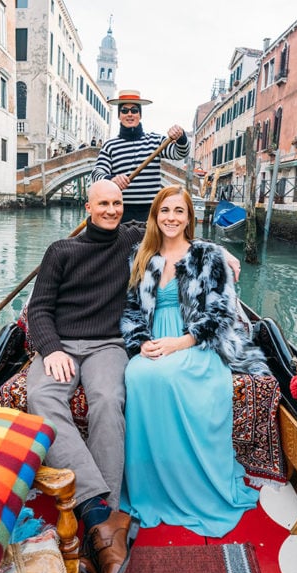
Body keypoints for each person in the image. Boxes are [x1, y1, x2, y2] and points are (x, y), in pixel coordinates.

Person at [26, 180, 240, 573]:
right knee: (40, 398)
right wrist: (50, 348)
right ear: (87, 206)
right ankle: (100, 515)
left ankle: (99, 520)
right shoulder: (60, 251)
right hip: (61, 345)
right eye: (102, 203)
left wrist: (222, 251)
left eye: (117, 204)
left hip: (107, 343)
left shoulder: (131, 239)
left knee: (108, 398)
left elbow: (176, 225)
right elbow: (39, 308)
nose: (110, 210)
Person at [119, 185, 269, 537]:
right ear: (155, 216)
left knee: (168, 377)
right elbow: (129, 310)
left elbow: (221, 312)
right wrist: (141, 343)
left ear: (190, 218)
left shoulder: (207, 255)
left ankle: (189, 482)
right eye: (165, 211)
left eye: (179, 212)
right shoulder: (140, 255)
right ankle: (149, 486)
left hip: (198, 344)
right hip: (154, 340)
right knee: (138, 376)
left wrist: (181, 342)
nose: (171, 218)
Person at [91, 89, 190, 223]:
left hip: (150, 212)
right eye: (125, 111)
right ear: (119, 116)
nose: (130, 114)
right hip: (120, 212)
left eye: (134, 110)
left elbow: (180, 153)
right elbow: (97, 174)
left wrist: (181, 137)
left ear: (140, 115)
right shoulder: (110, 145)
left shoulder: (155, 141)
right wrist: (112, 179)